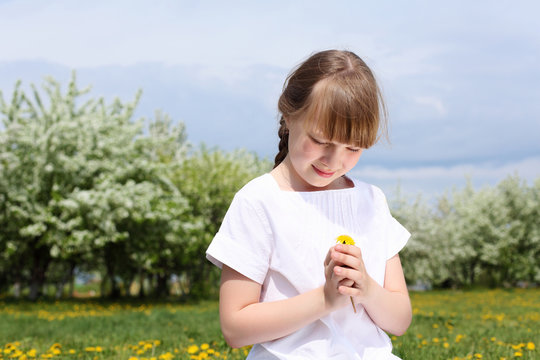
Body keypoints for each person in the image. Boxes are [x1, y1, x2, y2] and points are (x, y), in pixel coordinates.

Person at [206, 49, 412, 359]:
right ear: (289, 116)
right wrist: (326, 300)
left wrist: (366, 288)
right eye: (320, 140)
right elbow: (235, 328)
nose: (334, 161)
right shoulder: (258, 202)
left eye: (353, 148)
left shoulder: (371, 201)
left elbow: (400, 320)